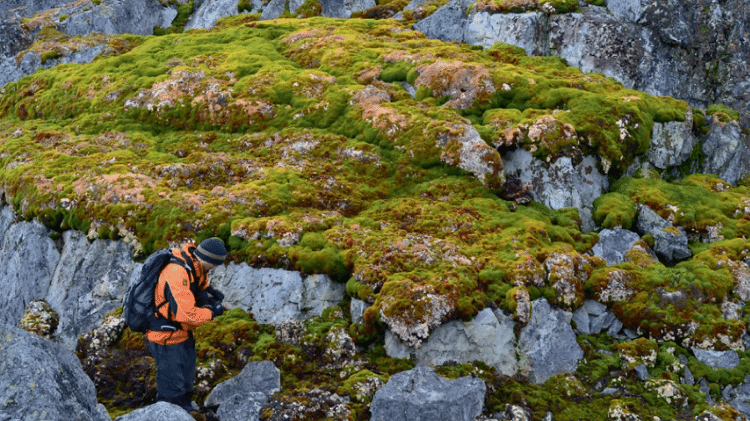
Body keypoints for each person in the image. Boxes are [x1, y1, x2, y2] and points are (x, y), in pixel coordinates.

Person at [146, 237, 228, 413]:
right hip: (166, 336)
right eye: (216, 264)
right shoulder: (177, 272)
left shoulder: (194, 266)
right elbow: (186, 315)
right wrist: (212, 312)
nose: (216, 268)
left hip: (182, 333)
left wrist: (209, 293)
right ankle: (168, 414)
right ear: (210, 260)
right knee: (172, 390)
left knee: (185, 383)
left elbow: (198, 286)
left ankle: (186, 411)